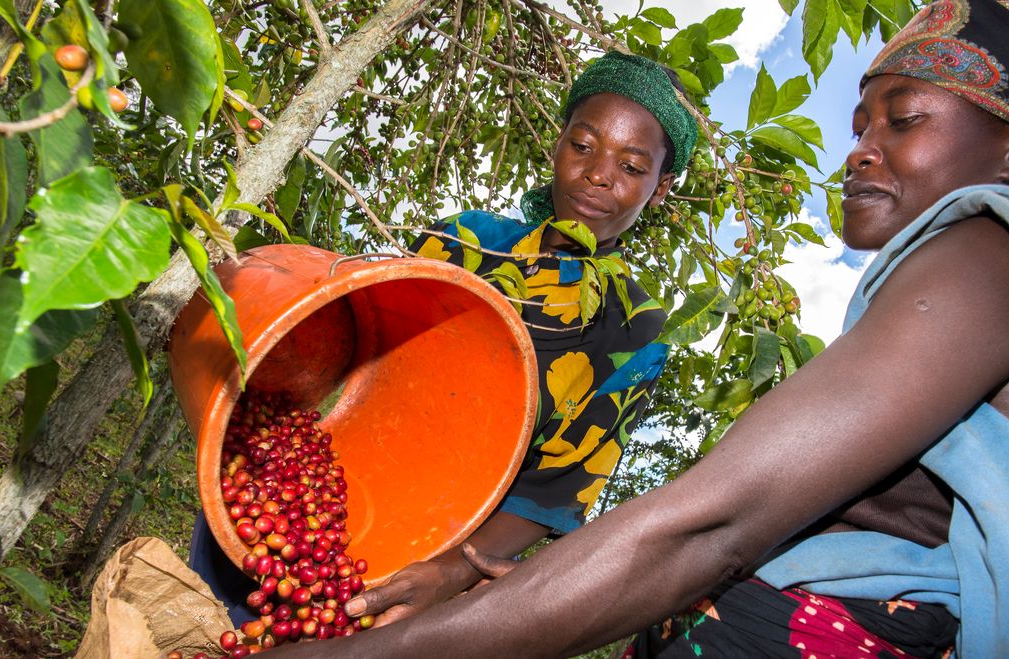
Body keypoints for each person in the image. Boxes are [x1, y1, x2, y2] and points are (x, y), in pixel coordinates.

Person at [263, 0, 1009, 656]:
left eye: (905, 120)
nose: (860, 149)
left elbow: (707, 525)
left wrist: (365, 653)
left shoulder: (991, 248)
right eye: (860, 121)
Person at [191, 51, 699, 628]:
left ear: (660, 189)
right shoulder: (466, 239)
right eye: (582, 146)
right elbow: (355, 343)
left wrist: (454, 571)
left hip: (429, 549)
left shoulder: (635, 328)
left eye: (632, 167)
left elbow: (558, 486)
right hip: (293, 494)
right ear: (557, 146)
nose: (598, 173)